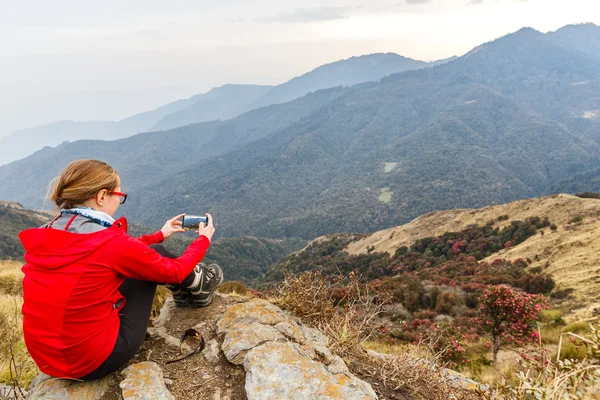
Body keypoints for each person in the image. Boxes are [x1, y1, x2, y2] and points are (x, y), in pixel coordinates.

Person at [18, 159, 223, 380]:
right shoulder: (109, 242)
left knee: (152, 251)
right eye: (119, 196)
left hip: (48, 359)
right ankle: (199, 287)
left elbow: (115, 254)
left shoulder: (49, 231)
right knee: (156, 261)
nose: (119, 201)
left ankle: (188, 290)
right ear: (102, 196)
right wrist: (202, 240)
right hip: (91, 361)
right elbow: (172, 271)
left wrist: (158, 235)